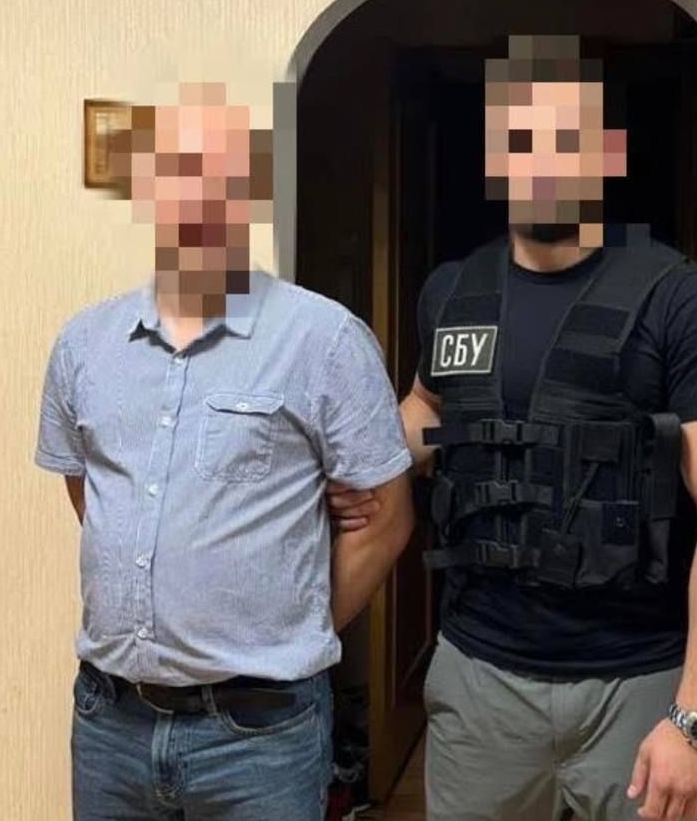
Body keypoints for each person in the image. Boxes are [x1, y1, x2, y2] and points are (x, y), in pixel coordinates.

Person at [329, 36, 697, 821]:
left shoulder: (682, 302)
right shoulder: (453, 291)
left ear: (608, 153)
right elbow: (430, 407)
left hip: (638, 684)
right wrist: (358, 465)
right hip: (481, 676)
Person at [36, 82, 415, 821]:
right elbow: (90, 492)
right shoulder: (84, 344)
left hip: (260, 738)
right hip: (110, 724)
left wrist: (290, 631)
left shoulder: (324, 340)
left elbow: (387, 518)